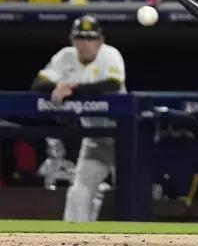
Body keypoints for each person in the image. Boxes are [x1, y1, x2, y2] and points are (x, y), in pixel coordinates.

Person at [30, 15, 126, 221]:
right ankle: (75, 239)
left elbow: (112, 85)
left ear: (100, 40)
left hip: (125, 136)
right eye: (80, 38)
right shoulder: (65, 56)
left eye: (90, 38)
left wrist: (71, 88)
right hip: (96, 139)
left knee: (129, 191)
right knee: (79, 193)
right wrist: (58, 86)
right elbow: (38, 84)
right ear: (72, 40)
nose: (84, 43)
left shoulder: (110, 54)